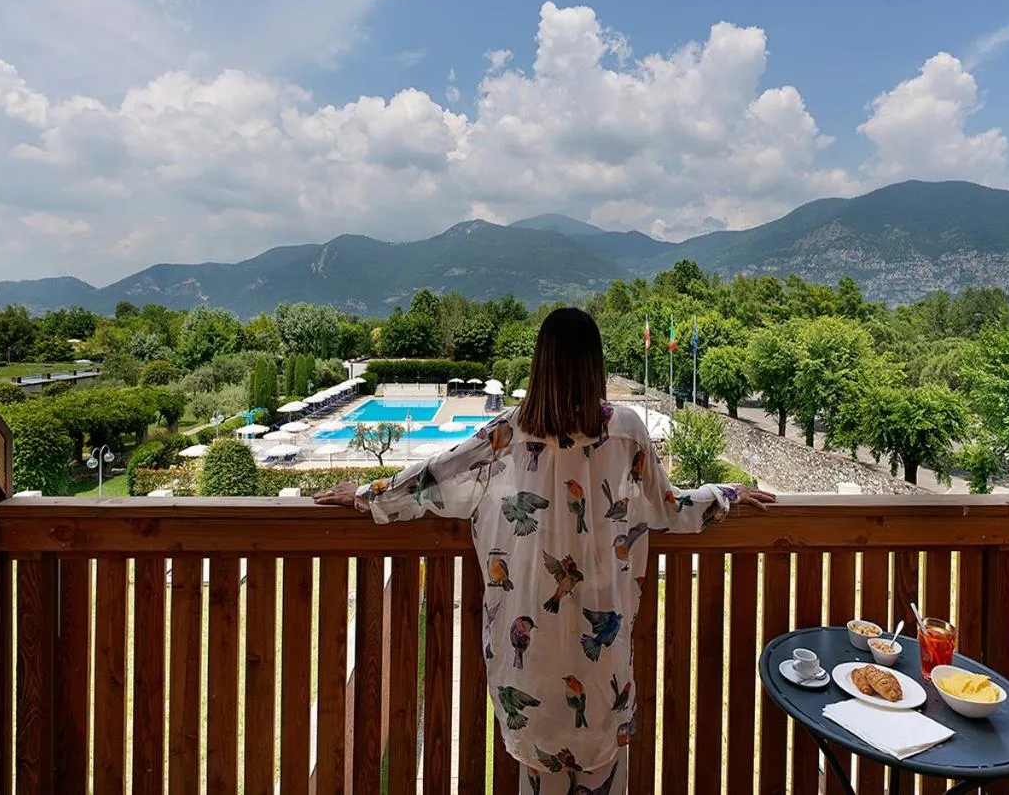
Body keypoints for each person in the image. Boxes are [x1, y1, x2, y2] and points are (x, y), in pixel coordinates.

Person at [315, 307, 774, 794]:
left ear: (541, 364)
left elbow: (437, 476)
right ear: (595, 365)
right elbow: (669, 506)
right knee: (602, 771)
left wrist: (367, 496)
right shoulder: (625, 432)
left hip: (530, 648)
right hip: (601, 640)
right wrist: (726, 494)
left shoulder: (510, 434)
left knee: (540, 776)